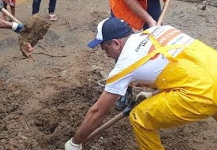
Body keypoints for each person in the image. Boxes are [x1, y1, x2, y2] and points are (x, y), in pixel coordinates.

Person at [65, 17, 217, 150]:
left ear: (116, 44)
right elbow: (183, 68)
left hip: (200, 92)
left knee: (140, 118)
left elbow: (97, 112)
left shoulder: (125, 65)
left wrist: (75, 142)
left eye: (105, 49)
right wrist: (153, 94)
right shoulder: (160, 30)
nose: (107, 56)